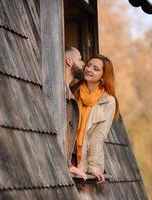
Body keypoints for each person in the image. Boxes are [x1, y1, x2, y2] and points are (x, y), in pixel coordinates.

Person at [73, 54, 119, 184]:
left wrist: (94, 167)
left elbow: (97, 137)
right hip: (66, 154)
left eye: (96, 69)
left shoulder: (109, 102)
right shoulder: (73, 92)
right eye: (88, 65)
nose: (89, 69)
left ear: (103, 77)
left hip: (82, 159)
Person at [64, 46, 87, 180]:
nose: (84, 63)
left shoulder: (69, 92)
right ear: (69, 61)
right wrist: (67, 164)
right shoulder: (58, 93)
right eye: (80, 59)